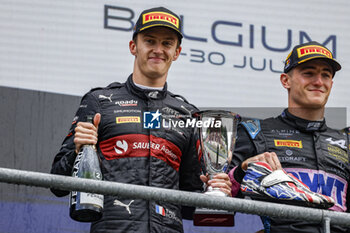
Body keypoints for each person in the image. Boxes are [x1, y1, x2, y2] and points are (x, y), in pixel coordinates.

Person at [50, 6, 231, 233]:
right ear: (133, 47)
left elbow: (188, 206)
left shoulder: (188, 115)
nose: (158, 49)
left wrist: (214, 190)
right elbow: (57, 183)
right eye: (150, 41)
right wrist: (78, 151)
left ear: (177, 52)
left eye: (167, 43)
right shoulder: (100, 101)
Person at [229, 41, 349, 233]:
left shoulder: (346, 141)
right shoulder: (255, 131)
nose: (318, 81)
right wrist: (241, 172)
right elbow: (219, 199)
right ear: (286, 80)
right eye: (308, 73)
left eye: (325, 75)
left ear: (331, 84)